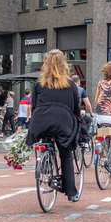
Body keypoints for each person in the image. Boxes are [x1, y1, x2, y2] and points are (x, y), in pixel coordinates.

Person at [27, 49, 83, 202]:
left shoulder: (39, 84)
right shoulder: (70, 84)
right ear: (63, 63)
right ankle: (71, 192)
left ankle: (45, 164)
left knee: (44, 138)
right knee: (65, 155)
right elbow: (75, 107)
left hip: (41, 120)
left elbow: (35, 105)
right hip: (62, 121)